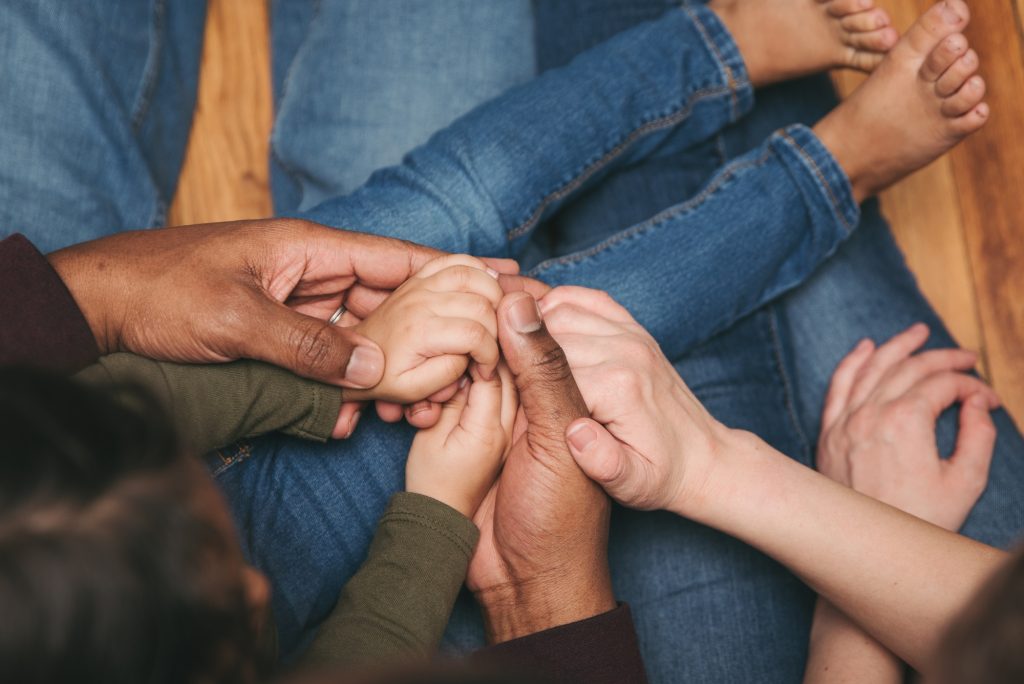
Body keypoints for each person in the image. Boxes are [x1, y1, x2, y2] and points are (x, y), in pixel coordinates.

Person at [3, 1, 1019, 681]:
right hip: (362, 582)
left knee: (448, 204)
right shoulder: (242, 595)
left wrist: (345, 372)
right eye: (232, 594)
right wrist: (436, 509)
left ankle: (724, 43)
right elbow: (361, 652)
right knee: (566, 338)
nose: (250, 581)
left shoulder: (67, 436)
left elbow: (148, 401)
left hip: (158, 418)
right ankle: (829, 170)